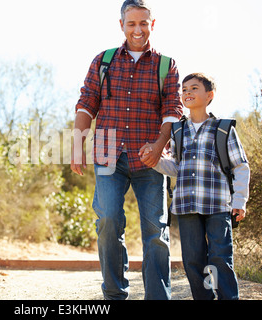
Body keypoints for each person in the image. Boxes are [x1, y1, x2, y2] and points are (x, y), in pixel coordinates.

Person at [71, 0, 183, 300]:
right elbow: (87, 102)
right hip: (109, 155)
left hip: (151, 160)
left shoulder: (166, 65)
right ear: (121, 24)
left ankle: (158, 296)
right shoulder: (103, 61)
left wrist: (160, 146)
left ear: (152, 24)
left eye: (143, 23)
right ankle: (114, 294)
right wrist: (77, 144)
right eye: (131, 23)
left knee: (156, 232)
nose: (137, 29)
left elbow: (173, 109)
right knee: (108, 219)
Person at [141, 73, 251, 300]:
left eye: (194, 88)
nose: (187, 92)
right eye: (184, 90)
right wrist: (155, 161)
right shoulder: (178, 131)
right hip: (186, 207)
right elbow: (176, 167)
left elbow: (240, 166)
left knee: (220, 258)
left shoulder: (223, 129)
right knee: (193, 260)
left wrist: (240, 201)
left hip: (218, 206)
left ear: (209, 95)